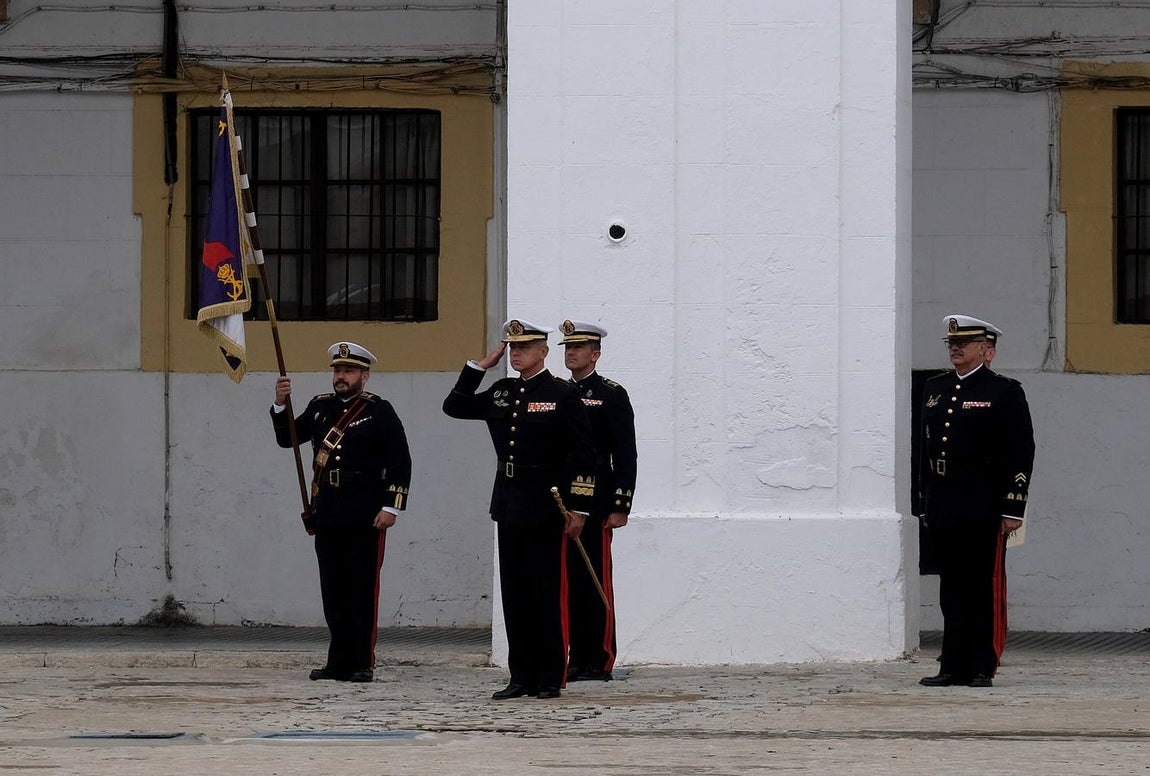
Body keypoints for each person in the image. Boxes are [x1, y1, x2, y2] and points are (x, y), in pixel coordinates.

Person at [442, 319, 597, 700]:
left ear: (543, 351)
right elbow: (455, 406)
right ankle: (521, 675)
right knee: (515, 594)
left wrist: (578, 509)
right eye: (511, 348)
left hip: (547, 503)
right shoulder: (502, 391)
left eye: (523, 348)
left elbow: (584, 455)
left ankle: (548, 676)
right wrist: (479, 366)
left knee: (545, 591)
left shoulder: (561, 394)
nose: (515, 354)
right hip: (509, 503)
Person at [271, 341, 412, 683]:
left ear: (365, 375)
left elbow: (400, 460)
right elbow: (288, 439)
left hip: (365, 512)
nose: (341, 377)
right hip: (329, 511)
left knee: (361, 589)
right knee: (333, 589)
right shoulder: (320, 408)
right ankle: (338, 661)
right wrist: (280, 404)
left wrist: (391, 506)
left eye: (348, 371)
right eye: (337, 370)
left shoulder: (379, 411)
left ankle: (362, 661)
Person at [918, 315, 1035, 688]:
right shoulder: (935, 388)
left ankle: (982, 665)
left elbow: (1020, 452)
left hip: (984, 504)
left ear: (987, 350)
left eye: (964, 343)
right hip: (945, 503)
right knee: (951, 588)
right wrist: (925, 500)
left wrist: (1012, 507)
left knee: (982, 586)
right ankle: (951, 664)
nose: (955, 348)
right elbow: (926, 450)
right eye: (951, 343)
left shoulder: (1004, 391)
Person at [559, 320, 637, 682]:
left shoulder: (610, 394)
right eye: (567, 348)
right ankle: (574, 656)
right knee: (568, 580)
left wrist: (620, 504)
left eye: (578, 348)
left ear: (596, 354)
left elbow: (625, 453)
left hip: (599, 497)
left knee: (594, 579)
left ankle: (599, 656)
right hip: (563, 495)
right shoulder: (557, 392)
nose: (571, 353)